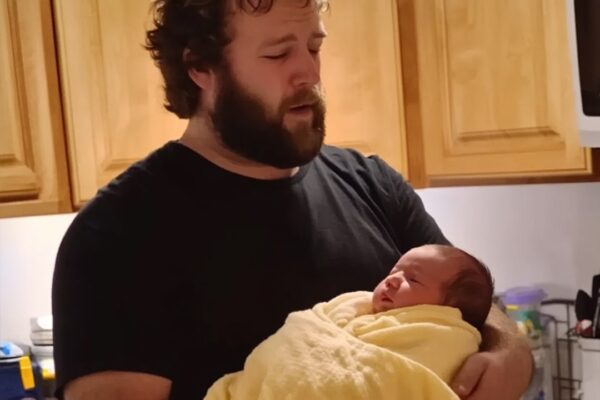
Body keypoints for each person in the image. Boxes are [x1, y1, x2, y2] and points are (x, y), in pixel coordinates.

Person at [51, 0, 532, 399]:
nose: (309, 72)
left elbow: (472, 303)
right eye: (278, 54)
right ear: (200, 66)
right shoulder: (116, 234)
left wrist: (509, 352)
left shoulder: (373, 184)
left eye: (314, 46)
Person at [204, 244, 495, 399]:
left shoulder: (440, 335)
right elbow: (307, 334)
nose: (393, 280)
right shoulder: (356, 306)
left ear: (448, 309)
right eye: (394, 271)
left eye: (413, 279)